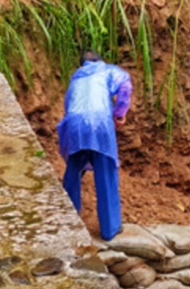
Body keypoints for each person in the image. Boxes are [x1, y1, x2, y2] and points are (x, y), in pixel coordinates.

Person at [57, 49, 133, 241]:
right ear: (100, 60)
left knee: (73, 171)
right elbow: (125, 86)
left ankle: (69, 223)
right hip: (100, 123)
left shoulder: (76, 78)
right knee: (105, 172)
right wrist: (119, 113)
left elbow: (68, 105)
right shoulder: (108, 70)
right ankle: (110, 228)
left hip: (74, 125)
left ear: (82, 64)